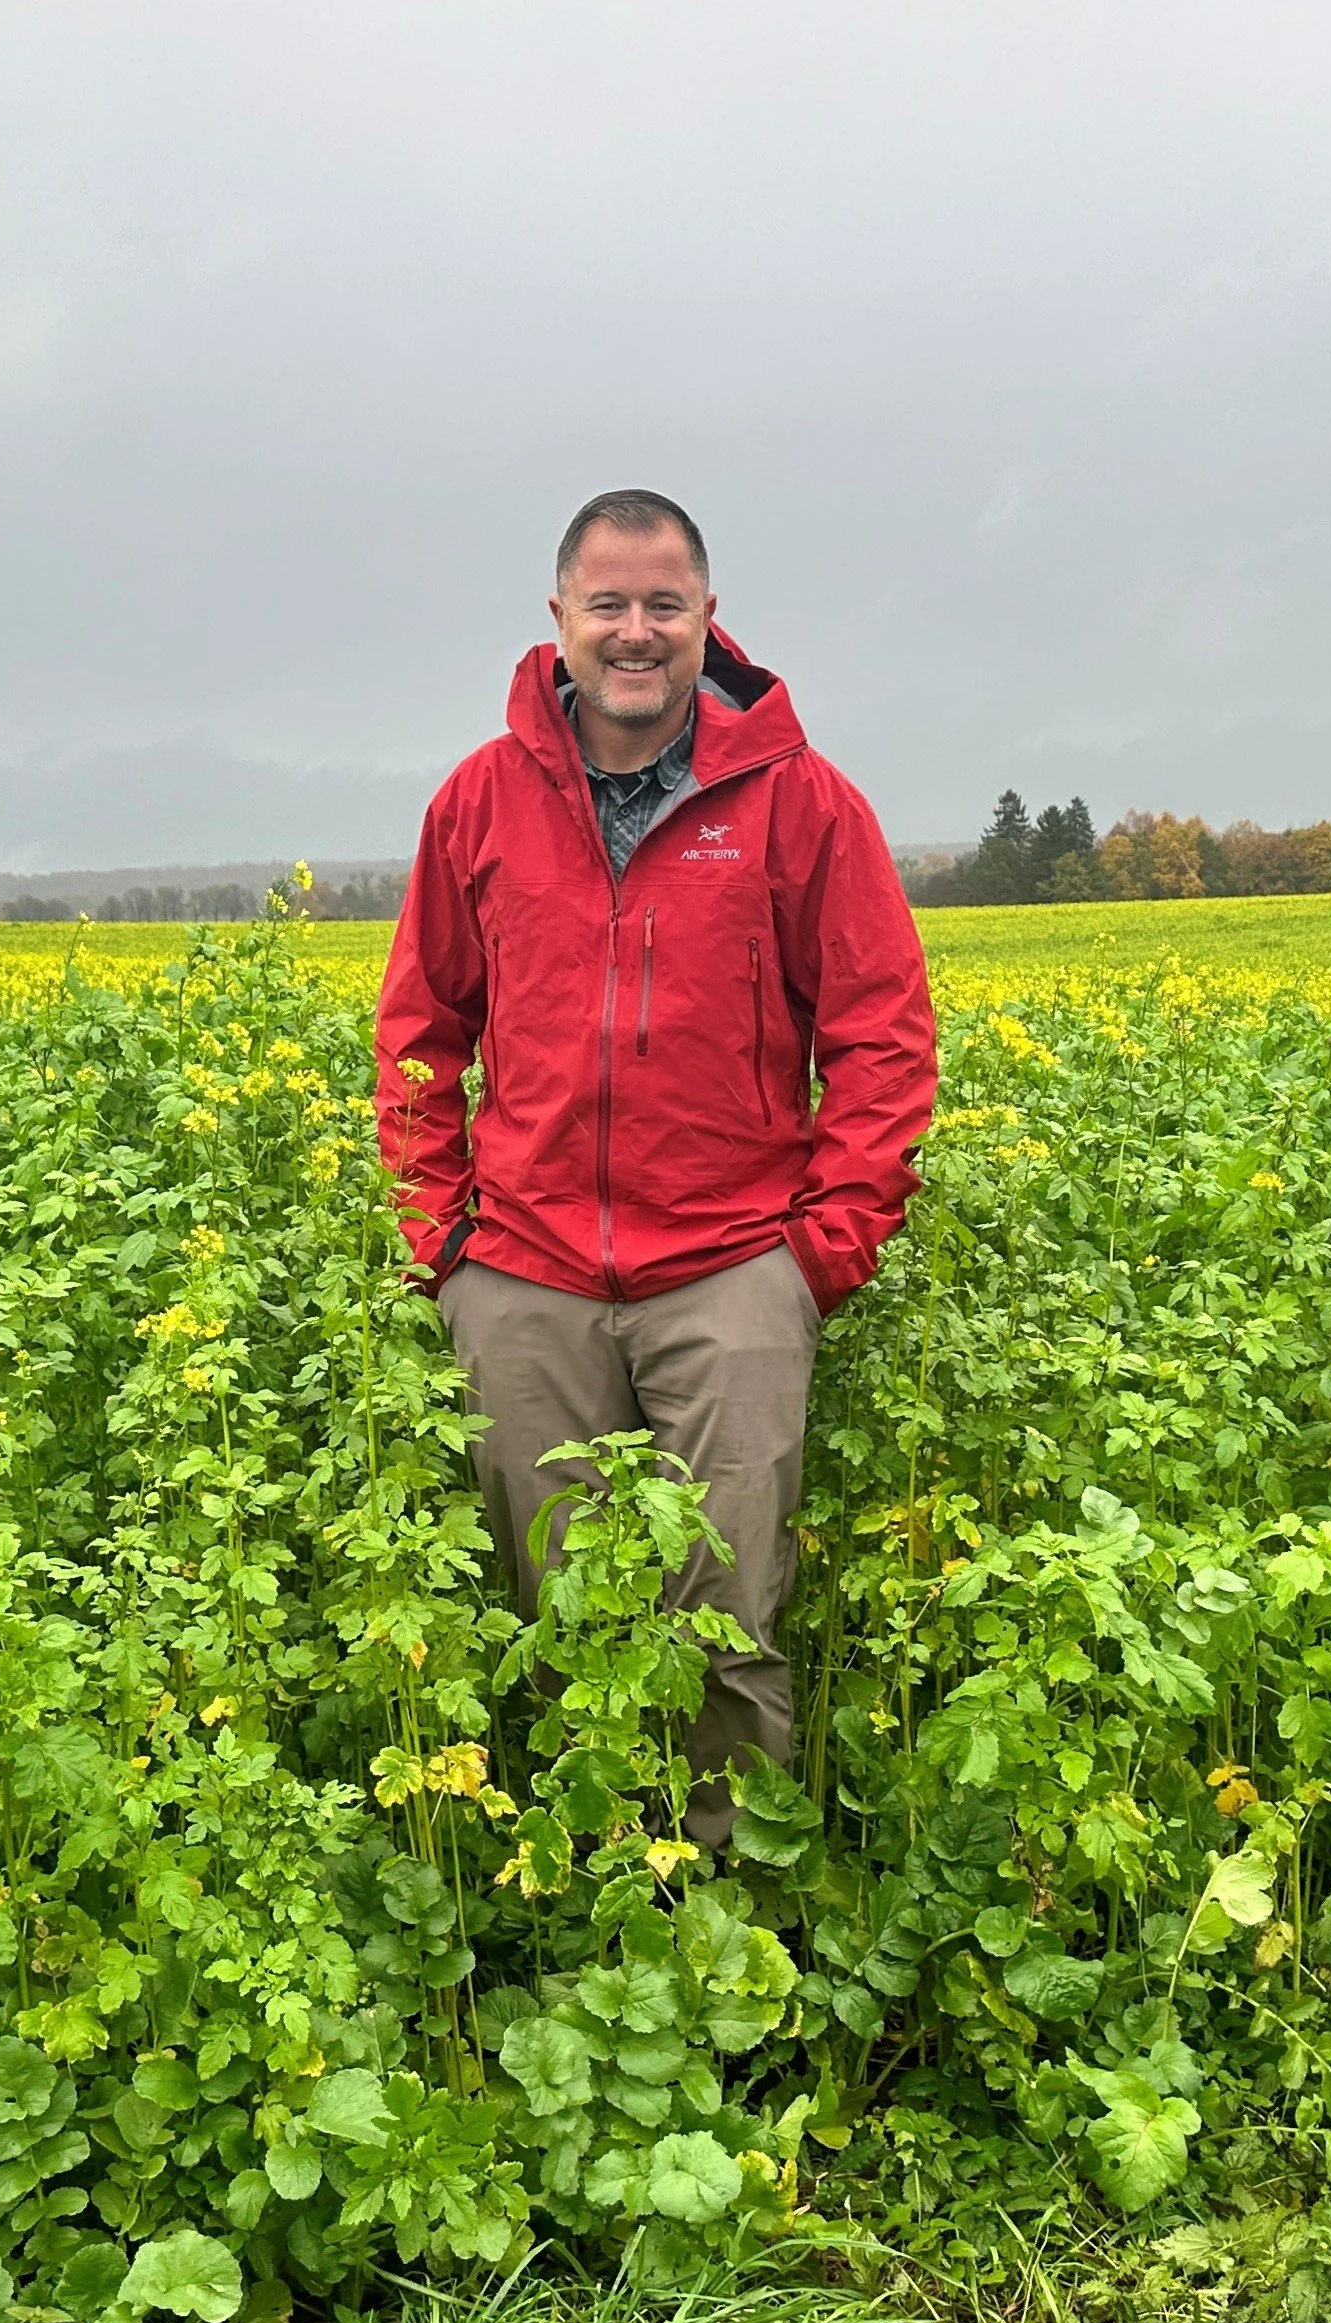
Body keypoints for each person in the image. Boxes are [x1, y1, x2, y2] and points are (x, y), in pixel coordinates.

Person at [375, 488, 936, 1846]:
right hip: (522, 1274)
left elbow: (883, 1037)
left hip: (733, 1273)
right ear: (559, 618)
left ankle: (729, 1926)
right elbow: (418, 1033)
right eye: (609, 604)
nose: (637, 632)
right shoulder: (481, 800)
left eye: (664, 605)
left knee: (724, 1619)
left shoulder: (801, 803)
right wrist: (441, 1245)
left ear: (708, 620)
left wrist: (818, 1258)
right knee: (554, 1611)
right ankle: (591, 1897)